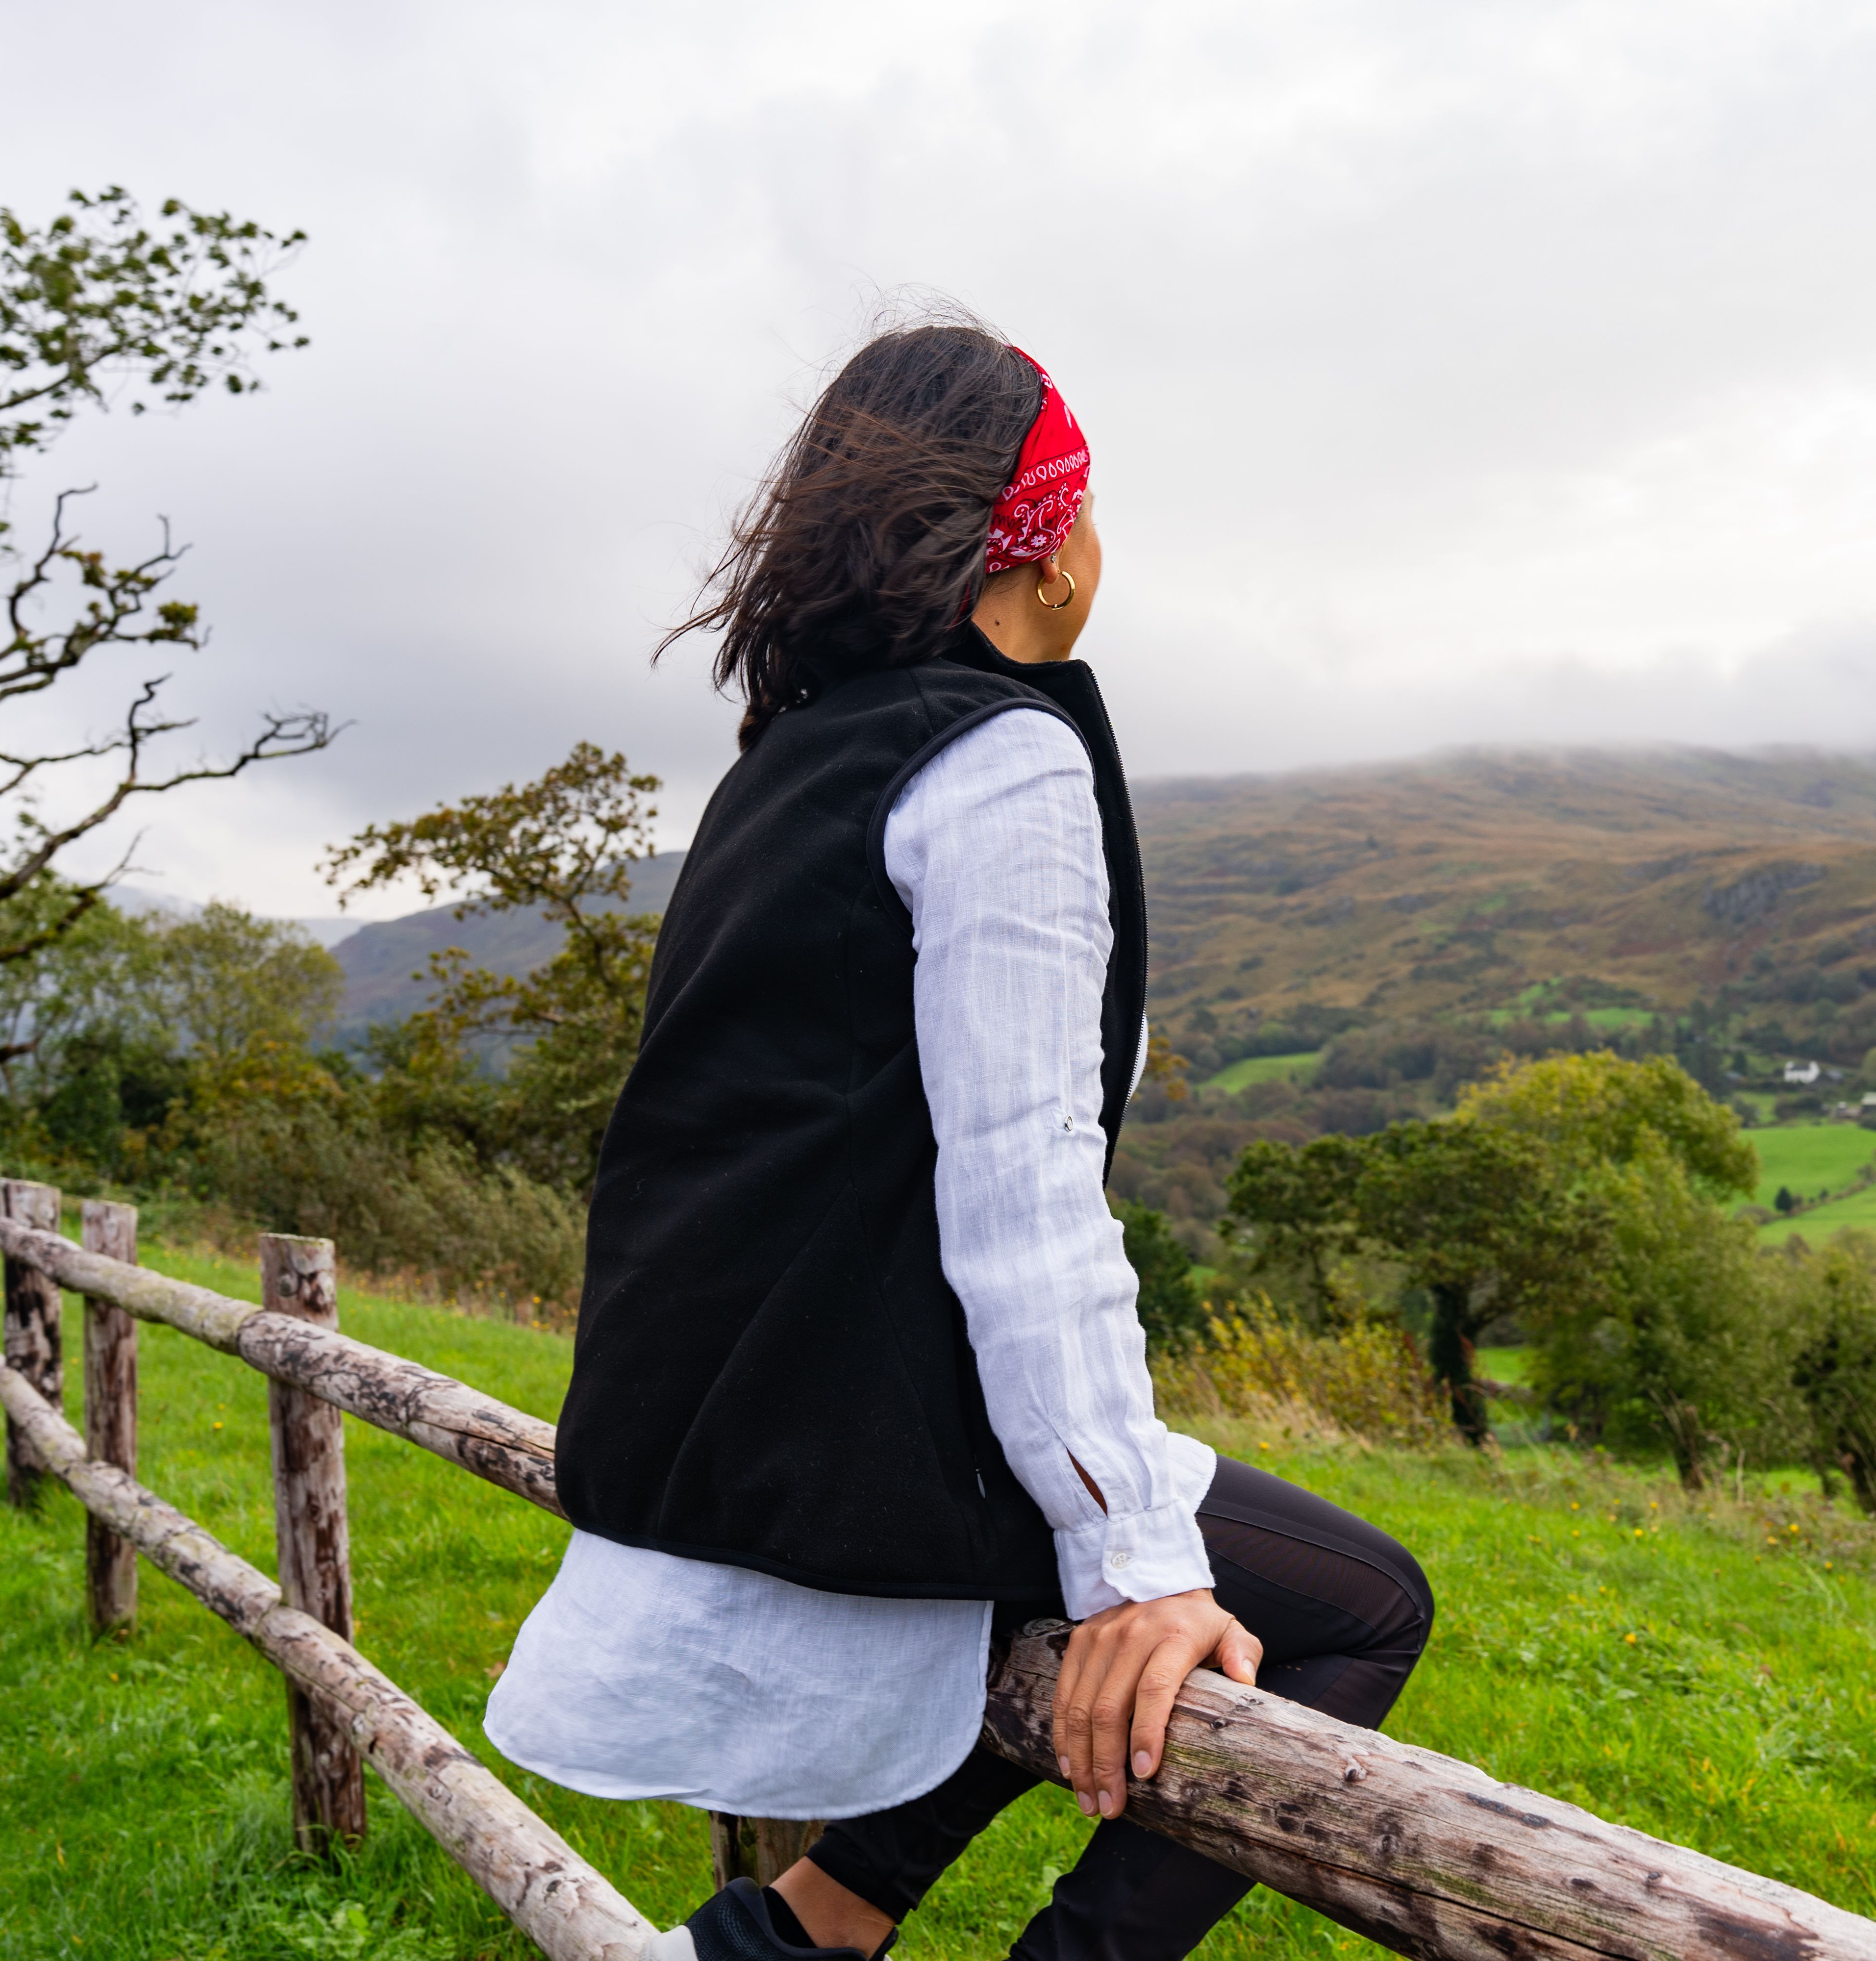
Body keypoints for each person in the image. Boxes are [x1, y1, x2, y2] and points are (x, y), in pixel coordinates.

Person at [485, 320, 1432, 1961]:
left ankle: (809, 1932)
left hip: (715, 1419)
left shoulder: (792, 759)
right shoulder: (1003, 759)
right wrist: (1137, 1559)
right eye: (1091, 513)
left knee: (1050, 1591)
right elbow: (1024, 1186)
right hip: (861, 1432)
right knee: (1363, 1609)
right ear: (1047, 546)